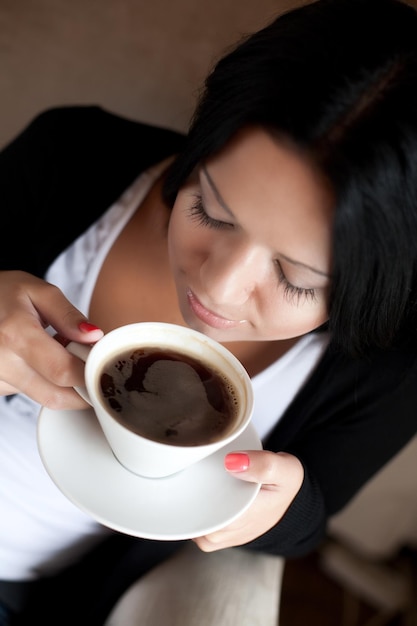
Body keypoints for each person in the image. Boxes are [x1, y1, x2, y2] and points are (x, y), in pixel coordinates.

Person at [2, 0, 417, 622]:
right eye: (210, 212)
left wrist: (283, 508)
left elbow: (308, 520)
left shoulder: (387, 374)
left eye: (296, 278)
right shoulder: (72, 154)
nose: (217, 290)